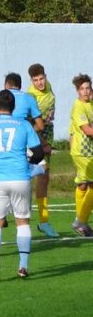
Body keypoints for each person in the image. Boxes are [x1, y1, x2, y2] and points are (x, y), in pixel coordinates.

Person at [0, 89, 44, 280]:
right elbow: (39, 153)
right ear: (14, 106)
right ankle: (23, 266)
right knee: (22, 221)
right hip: (20, 178)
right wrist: (29, 162)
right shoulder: (24, 124)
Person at [26, 64, 60, 237]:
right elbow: (29, 122)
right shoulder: (30, 95)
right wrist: (43, 143)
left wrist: (50, 117)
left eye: (41, 78)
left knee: (44, 178)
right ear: (31, 81)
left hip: (47, 133)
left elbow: (50, 106)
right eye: (36, 80)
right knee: (36, 174)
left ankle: (43, 221)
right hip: (36, 137)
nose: (40, 83)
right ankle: (32, 219)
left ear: (45, 76)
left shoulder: (49, 86)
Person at [69, 74, 93, 237]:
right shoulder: (78, 107)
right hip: (83, 152)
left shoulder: (89, 103)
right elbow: (88, 130)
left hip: (87, 150)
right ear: (77, 91)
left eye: (88, 88)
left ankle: (81, 223)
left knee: (83, 185)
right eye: (82, 89)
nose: (85, 91)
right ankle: (80, 221)